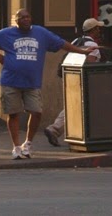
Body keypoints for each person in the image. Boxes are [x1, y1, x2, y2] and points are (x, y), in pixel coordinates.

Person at [0, 8, 91, 160]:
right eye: (22, 17)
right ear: (16, 21)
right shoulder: (7, 33)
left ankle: (28, 144)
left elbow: (61, 43)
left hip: (32, 82)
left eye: (28, 17)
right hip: (10, 80)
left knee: (37, 112)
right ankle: (16, 147)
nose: (25, 20)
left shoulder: (40, 33)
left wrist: (82, 51)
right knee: (13, 114)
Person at [44, 18, 105, 147]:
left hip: (69, 77)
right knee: (80, 106)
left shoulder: (75, 41)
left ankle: (56, 130)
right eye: (98, 28)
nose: (99, 30)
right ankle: (56, 129)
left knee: (73, 104)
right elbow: (90, 64)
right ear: (93, 30)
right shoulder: (92, 46)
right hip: (84, 79)